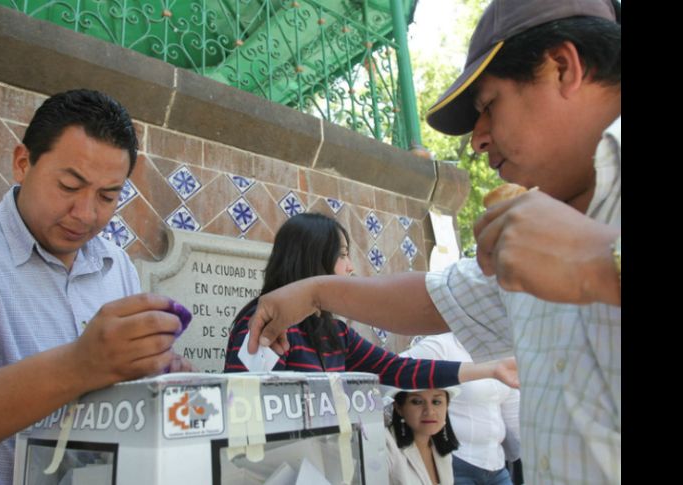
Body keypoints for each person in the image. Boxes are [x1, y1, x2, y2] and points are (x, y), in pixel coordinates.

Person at [245, 1, 620, 483]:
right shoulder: (537, 237)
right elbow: (433, 299)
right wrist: (312, 291)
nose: (476, 141)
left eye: (488, 106)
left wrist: (599, 265)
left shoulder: (566, 239)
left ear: (562, 68)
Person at [0, 89, 193, 484]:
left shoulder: (116, 265)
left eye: (108, 196)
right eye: (69, 186)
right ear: (23, 163)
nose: (86, 214)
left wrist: (155, 373)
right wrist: (80, 365)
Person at [223, 213, 519, 391]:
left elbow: (398, 369)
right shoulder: (267, 322)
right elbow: (241, 400)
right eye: (341, 255)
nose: (350, 267)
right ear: (311, 258)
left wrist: (490, 370)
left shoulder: (334, 333)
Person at [403, 334, 521, 485]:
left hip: (496, 464)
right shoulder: (441, 346)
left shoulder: (504, 351)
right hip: (457, 462)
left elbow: (513, 414)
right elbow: (393, 371)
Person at [385, 386, 460, 485]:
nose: (429, 411)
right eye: (417, 402)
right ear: (399, 407)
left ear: (447, 406)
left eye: (436, 402)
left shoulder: (441, 447)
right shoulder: (385, 444)